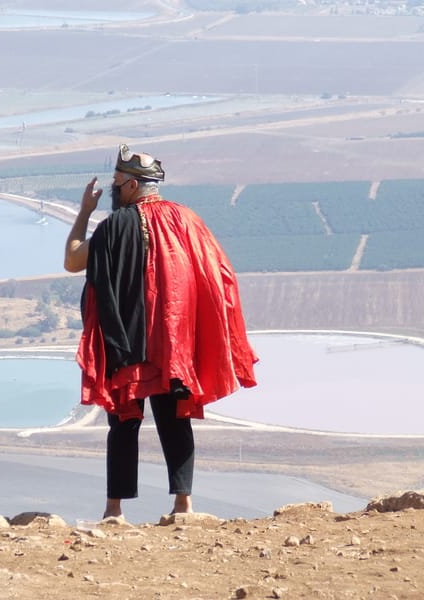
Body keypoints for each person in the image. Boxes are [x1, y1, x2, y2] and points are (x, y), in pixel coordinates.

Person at [64, 144, 258, 519]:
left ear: (134, 186)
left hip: (127, 341)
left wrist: (85, 212)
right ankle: (183, 504)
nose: (115, 191)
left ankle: (114, 510)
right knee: (175, 417)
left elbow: (73, 260)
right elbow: (217, 273)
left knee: (123, 421)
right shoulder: (188, 220)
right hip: (174, 342)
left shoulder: (113, 227)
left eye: (118, 184)